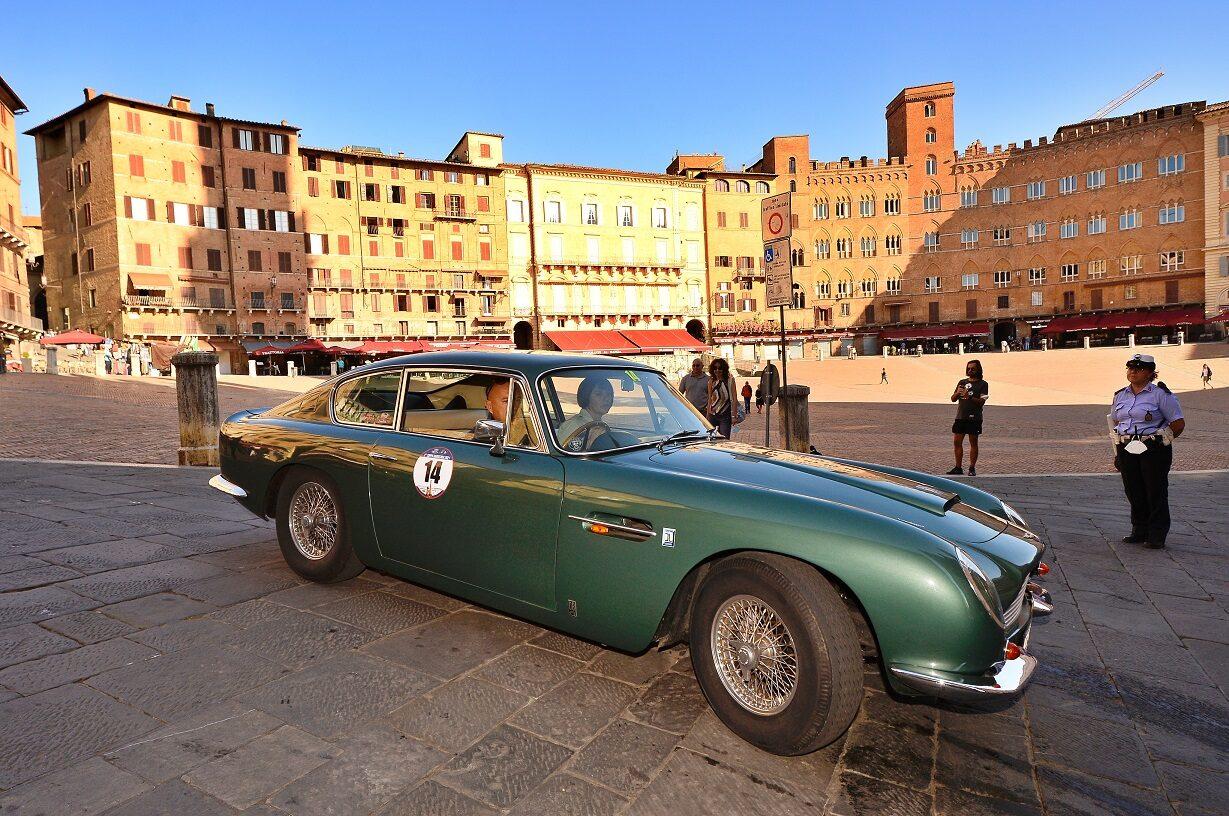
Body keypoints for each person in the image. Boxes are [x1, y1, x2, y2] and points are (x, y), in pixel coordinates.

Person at [1112, 353, 1185, 548]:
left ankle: (1157, 534)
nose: (1133, 371)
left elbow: (1178, 423)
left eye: (1139, 368)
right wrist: (1118, 452)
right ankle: (1139, 529)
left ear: (1150, 372)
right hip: (1126, 446)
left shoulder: (1161, 395)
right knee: (1133, 489)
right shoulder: (1120, 395)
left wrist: (1161, 443)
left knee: (1155, 490)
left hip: (1152, 447)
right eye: (1130, 368)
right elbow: (1116, 422)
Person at [947, 359, 988, 476]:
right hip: (961, 417)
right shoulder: (962, 382)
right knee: (957, 442)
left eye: (973, 369)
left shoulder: (983, 384)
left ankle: (972, 468)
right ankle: (958, 467)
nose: (970, 370)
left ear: (978, 370)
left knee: (973, 442)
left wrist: (969, 397)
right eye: (968, 368)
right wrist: (957, 393)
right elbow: (953, 399)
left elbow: (982, 401)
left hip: (974, 418)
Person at [557, 375, 615, 451]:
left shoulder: (602, 426)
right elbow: (560, 455)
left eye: (609, 394)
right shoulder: (573, 425)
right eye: (598, 394)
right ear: (586, 396)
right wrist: (590, 444)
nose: (606, 398)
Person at [706, 358, 737, 439]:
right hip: (713, 414)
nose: (717, 370)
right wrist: (707, 415)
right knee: (710, 438)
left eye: (720, 368)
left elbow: (734, 399)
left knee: (724, 438)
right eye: (715, 368)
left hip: (725, 415)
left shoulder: (729, 381)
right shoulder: (711, 381)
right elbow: (710, 398)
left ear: (724, 369)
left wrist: (734, 416)